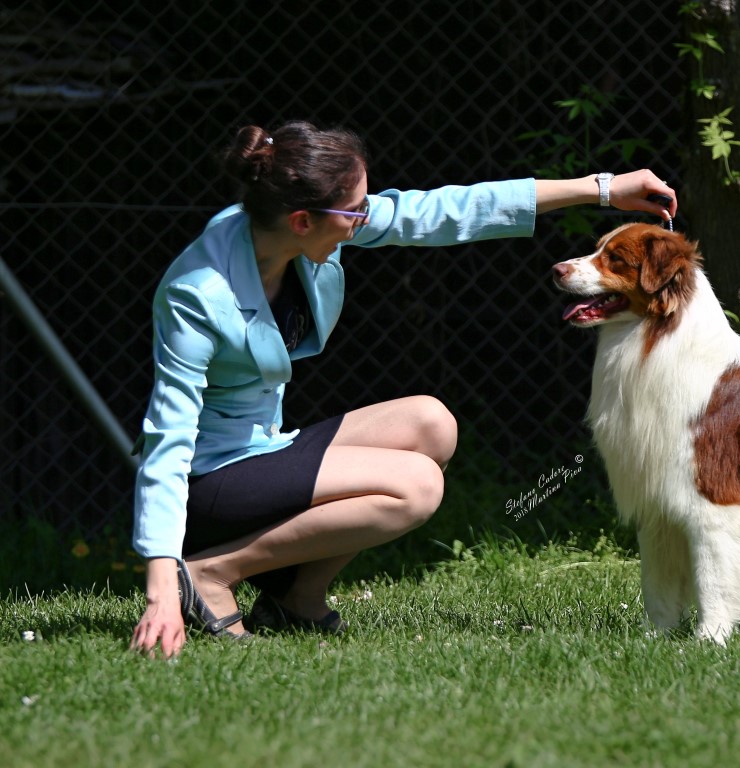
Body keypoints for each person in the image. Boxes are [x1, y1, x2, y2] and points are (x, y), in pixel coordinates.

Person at [128, 120, 677, 658]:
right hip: (209, 481)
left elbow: (440, 211)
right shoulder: (196, 294)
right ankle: (208, 573)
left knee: (431, 422)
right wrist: (158, 586)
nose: (367, 217)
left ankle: (297, 599)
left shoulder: (286, 228)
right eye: (356, 210)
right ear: (302, 221)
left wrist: (603, 189)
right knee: (415, 486)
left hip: (263, 447)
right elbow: (167, 440)